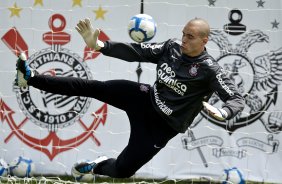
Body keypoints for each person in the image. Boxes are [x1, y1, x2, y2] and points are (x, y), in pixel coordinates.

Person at [15, 17, 245, 178]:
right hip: (145, 99)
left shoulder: (210, 70)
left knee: (123, 170)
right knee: (95, 87)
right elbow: (138, 51)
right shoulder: (171, 47)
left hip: (161, 127)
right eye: (183, 34)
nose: (184, 39)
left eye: (191, 36)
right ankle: (31, 76)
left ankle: (97, 166)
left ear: (205, 41)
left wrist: (224, 112)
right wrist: (100, 45)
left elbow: (236, 98)